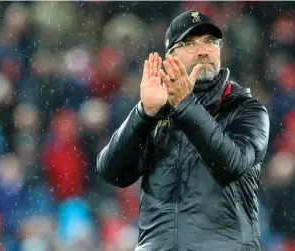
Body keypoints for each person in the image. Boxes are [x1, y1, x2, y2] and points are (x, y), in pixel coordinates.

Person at [97, 9, 270, 251]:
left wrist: (184, 105)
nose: (203, 51)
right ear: (170, 56)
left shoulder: (246, 109)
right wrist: (144, 113)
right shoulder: (156, 111)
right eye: (190, 44)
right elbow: (112, 172)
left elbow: (232, 164)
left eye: (211, 42)